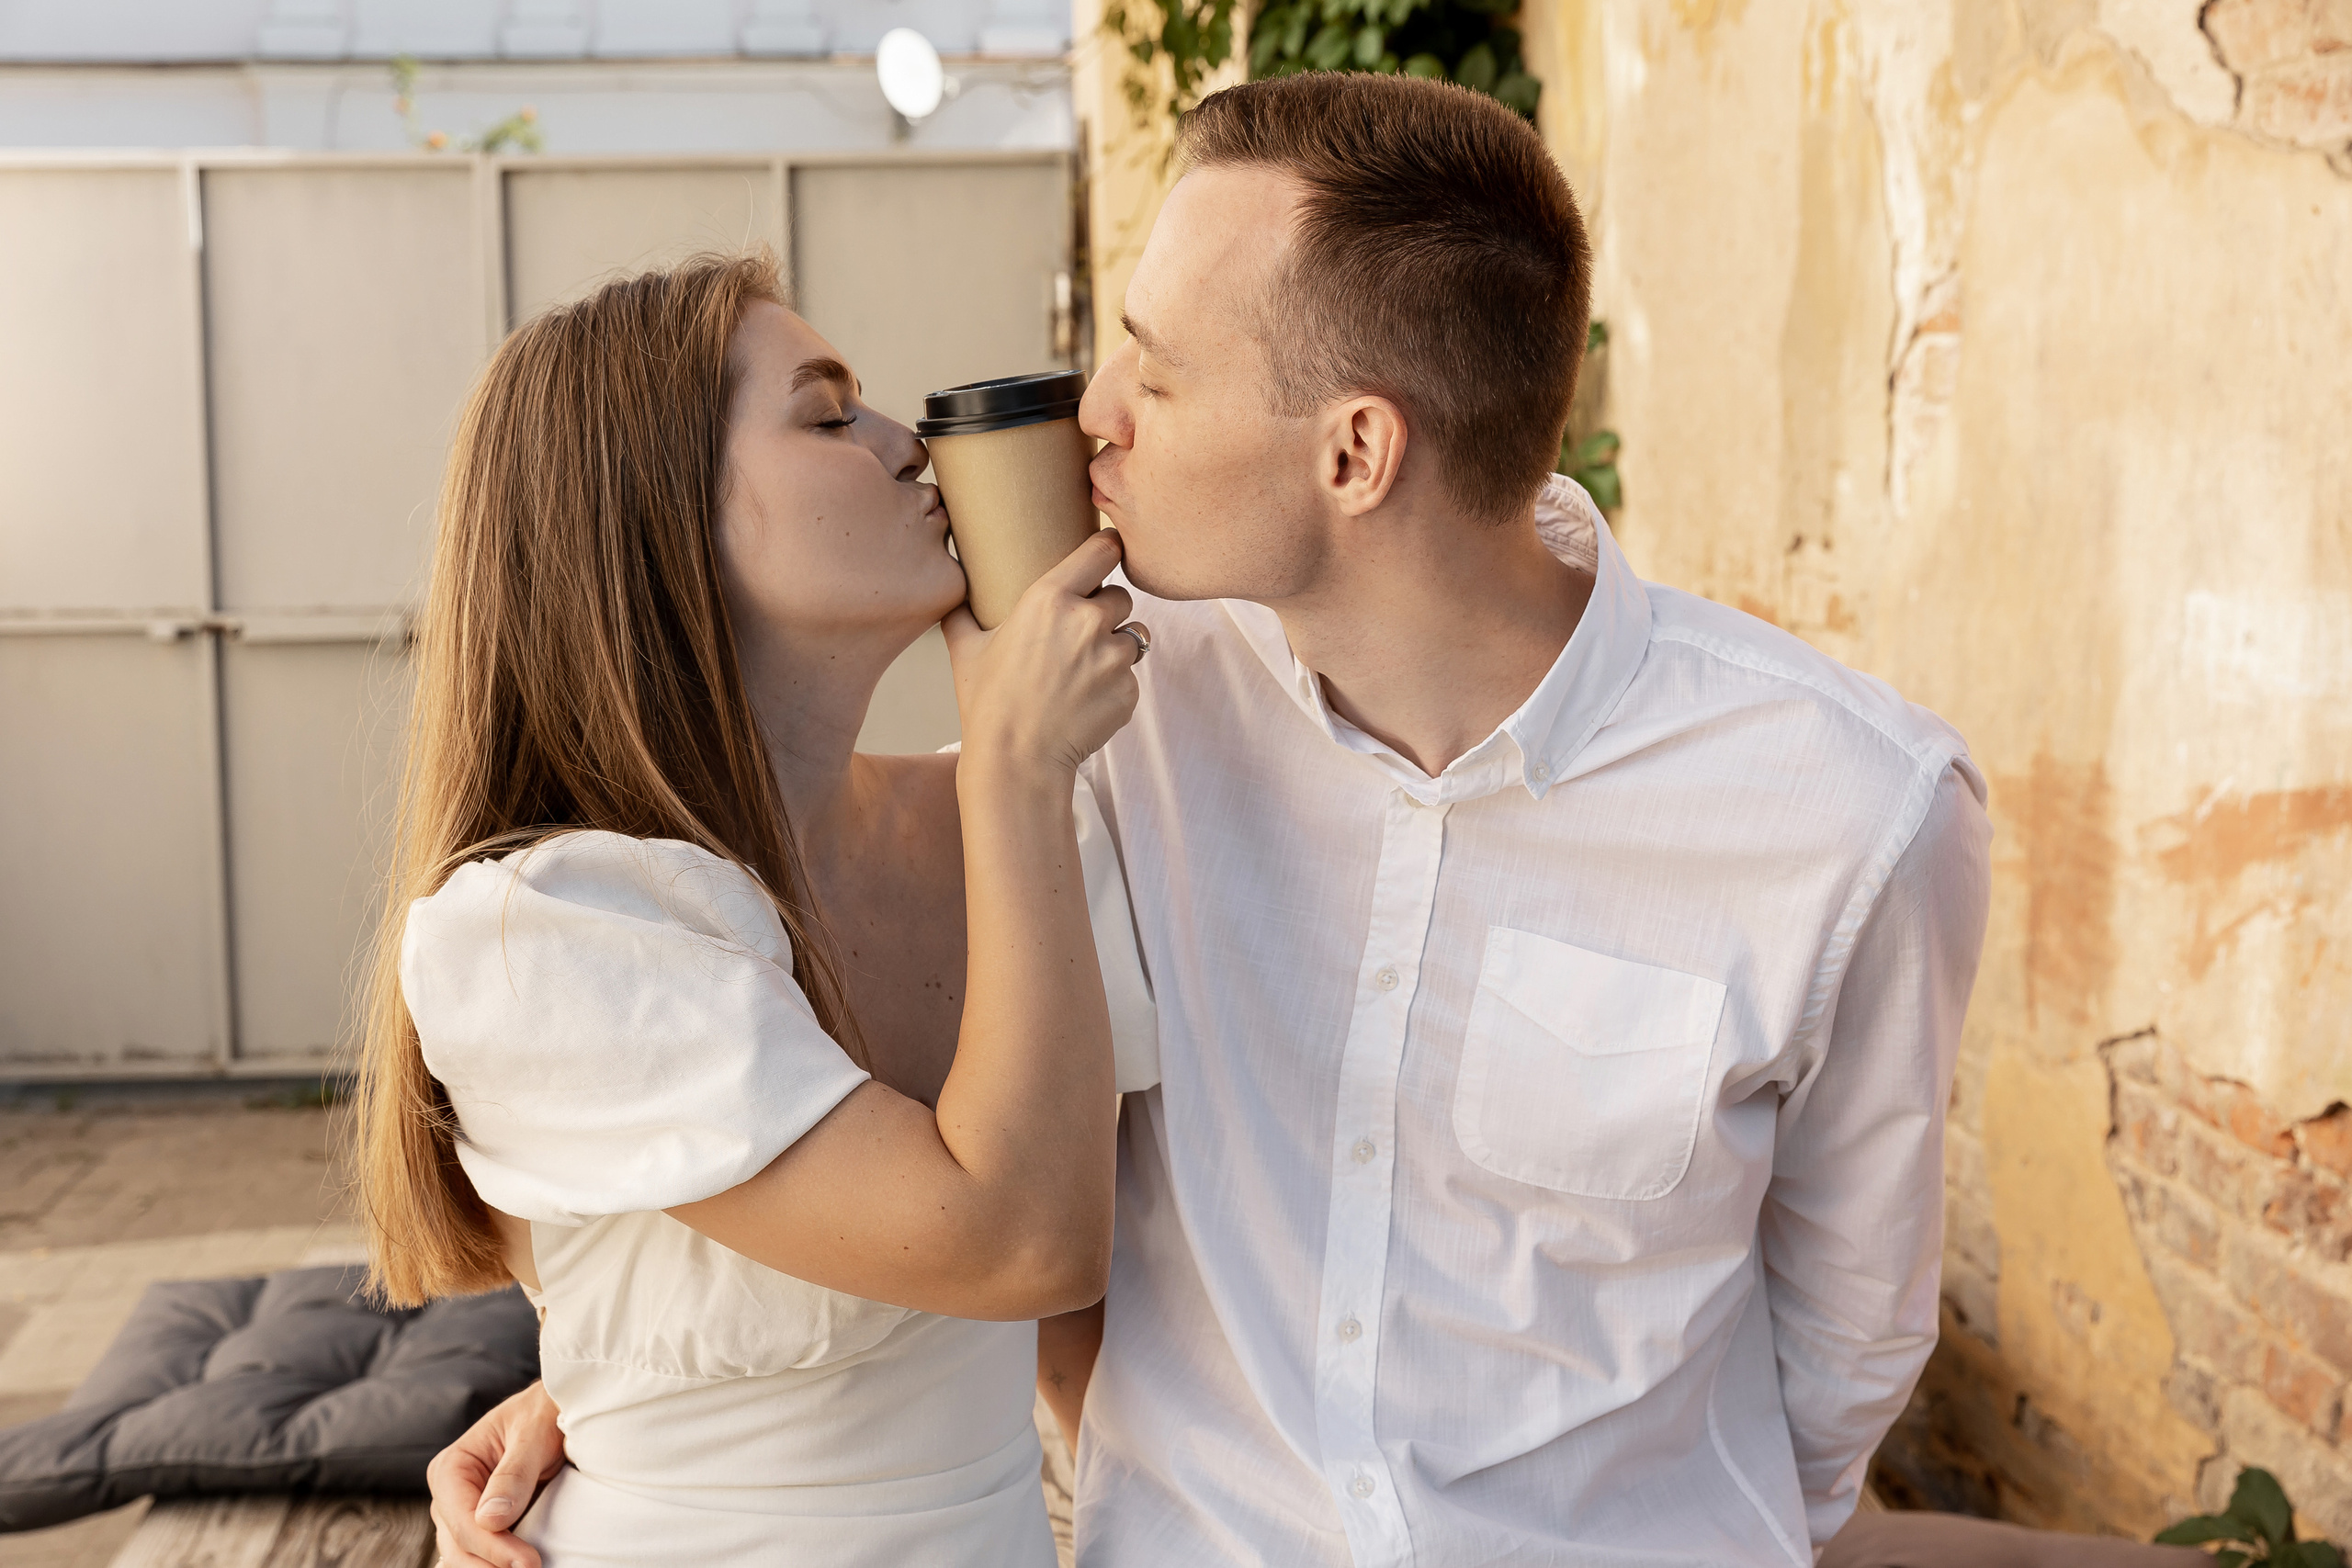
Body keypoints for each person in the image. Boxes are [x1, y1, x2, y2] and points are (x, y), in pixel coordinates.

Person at [432, 74, 1996, 1566]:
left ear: (1354, 451)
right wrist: (632, 1388)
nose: (1088, 414)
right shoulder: (1122, 708)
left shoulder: (1850, 813)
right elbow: (970, 1200)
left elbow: (1841, 1351)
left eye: (1155, 370)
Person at [358, 252, 1159, 1567]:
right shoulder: (537, 935)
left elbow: (1092, 1345)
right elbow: (1020, 1244)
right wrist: (1017, 771)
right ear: (660, 517)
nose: (910, 448)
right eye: (831, 414)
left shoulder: (1039, 824)